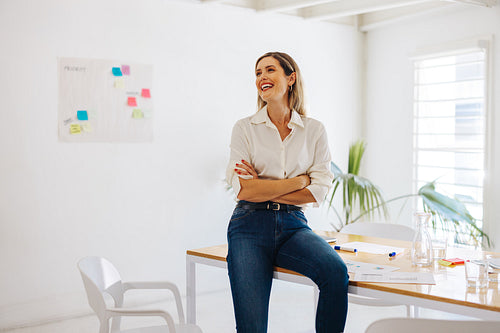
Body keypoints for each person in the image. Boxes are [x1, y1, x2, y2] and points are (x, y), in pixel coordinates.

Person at [225, 51, 349, 333]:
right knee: (252, 326)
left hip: (294, 225)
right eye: (258, 73)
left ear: (290, 78)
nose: (262, 78)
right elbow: (244, 189)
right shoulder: (244, 129)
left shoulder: (314, 130)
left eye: (270, 70)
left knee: (335, 271)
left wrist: (263, 188)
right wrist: (298, 182)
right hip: (248, 226)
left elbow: (318, 191)